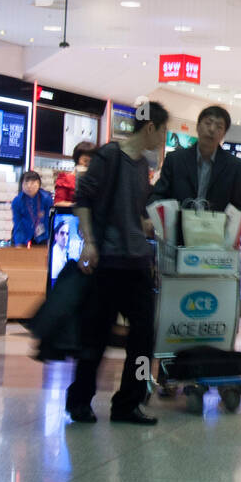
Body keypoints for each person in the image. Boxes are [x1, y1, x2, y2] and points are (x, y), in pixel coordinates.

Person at [66, 101, 170, 426]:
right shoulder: (108, 157)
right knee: (95, 335)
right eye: (164, 130)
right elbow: (82, 200)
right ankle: (80, 400)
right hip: (108, 260)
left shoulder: (142, 166)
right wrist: (90, 242)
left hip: (137, 262)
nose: (163, 137)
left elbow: (135, 211)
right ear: (151, 128)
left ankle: (128, 402)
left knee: (143, 335)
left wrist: (146, 225)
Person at [150, 105, 241, 216]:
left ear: (224, 134)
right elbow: (160, 194)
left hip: (215, 231)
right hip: (179, 229)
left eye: (219, 127)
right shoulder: (175, 160)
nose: (212, 129)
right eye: (208, 123)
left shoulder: (234, 166)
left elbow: (237, 206)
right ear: (198, 127)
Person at [11, 170, 53, 245]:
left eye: (32, 183)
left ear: (39, 184)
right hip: (23, 232)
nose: (29, 186)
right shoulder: (17, 201)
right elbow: (17, 222)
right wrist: (19, 242)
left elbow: (49, 221)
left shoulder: (46, 199)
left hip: (43, 235)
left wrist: (48, 239)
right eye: (26, 183)